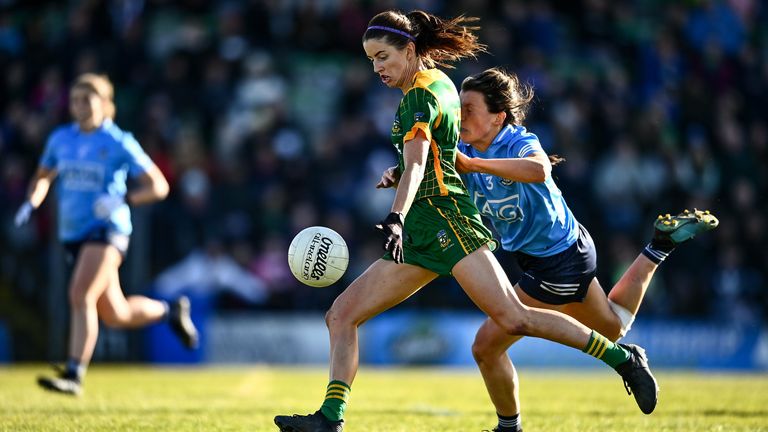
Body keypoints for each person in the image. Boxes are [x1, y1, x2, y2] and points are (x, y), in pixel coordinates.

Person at [274, 11, 658, 432]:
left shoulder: (420, 96)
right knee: (342, 314)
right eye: (371, 60)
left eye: (383, 56)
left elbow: (422, 160)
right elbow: (436, 153)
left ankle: (623, 358)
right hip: (423, 228)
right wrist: (401, 176)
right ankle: (331, 418)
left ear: (410, 49)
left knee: (513, 318)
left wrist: (397, 215)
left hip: (447, 222)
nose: (377, 67)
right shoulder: (437, 84)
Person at [451, 67, 719, 432]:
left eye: (469, 108)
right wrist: (399, 173)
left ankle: (509, 428)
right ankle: (658, 247)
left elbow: (538, 169)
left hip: (557, 260)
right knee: (613, 326)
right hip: (560, 251)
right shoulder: (462, 147)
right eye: (459, 107)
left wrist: (473, 165)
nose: (460, 115)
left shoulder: (515, 141)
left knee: (486, 346)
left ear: (498, 116)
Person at [13, 73, 199, 396]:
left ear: (105, 104)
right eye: (75, 100)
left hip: (108, 231)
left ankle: (74, 373)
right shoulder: (60, 139)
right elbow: (43, 177)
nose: (80, 106)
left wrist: (123, 198)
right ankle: (171, 312)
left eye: (88, 99)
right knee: (116, 313)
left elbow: (158, 186)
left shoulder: (117, 141)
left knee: (80, 294)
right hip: (73, 235)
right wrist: (32, 201)